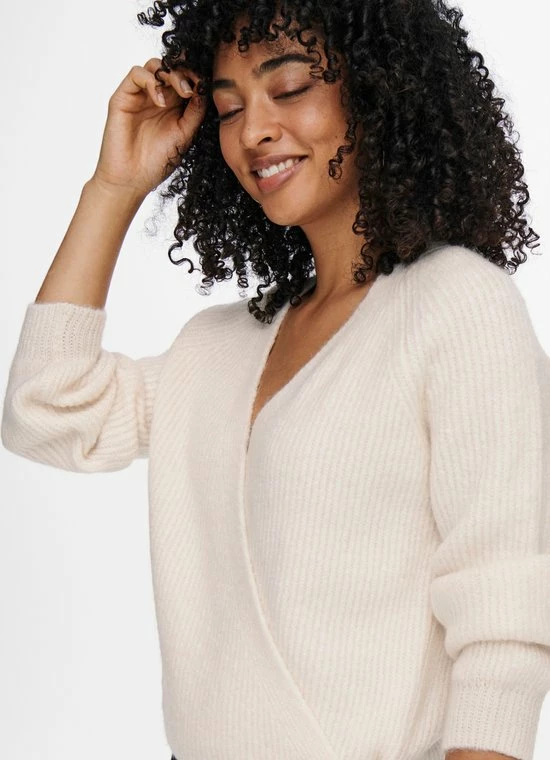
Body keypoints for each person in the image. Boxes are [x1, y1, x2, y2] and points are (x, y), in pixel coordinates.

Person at [2, 1, 550, 759]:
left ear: (379, 89)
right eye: (229, 109)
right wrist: (114, 187)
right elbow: (44, 409)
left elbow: (504, 619)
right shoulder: (217, 347)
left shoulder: (455, 305)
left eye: (289, 88)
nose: (253, 130)